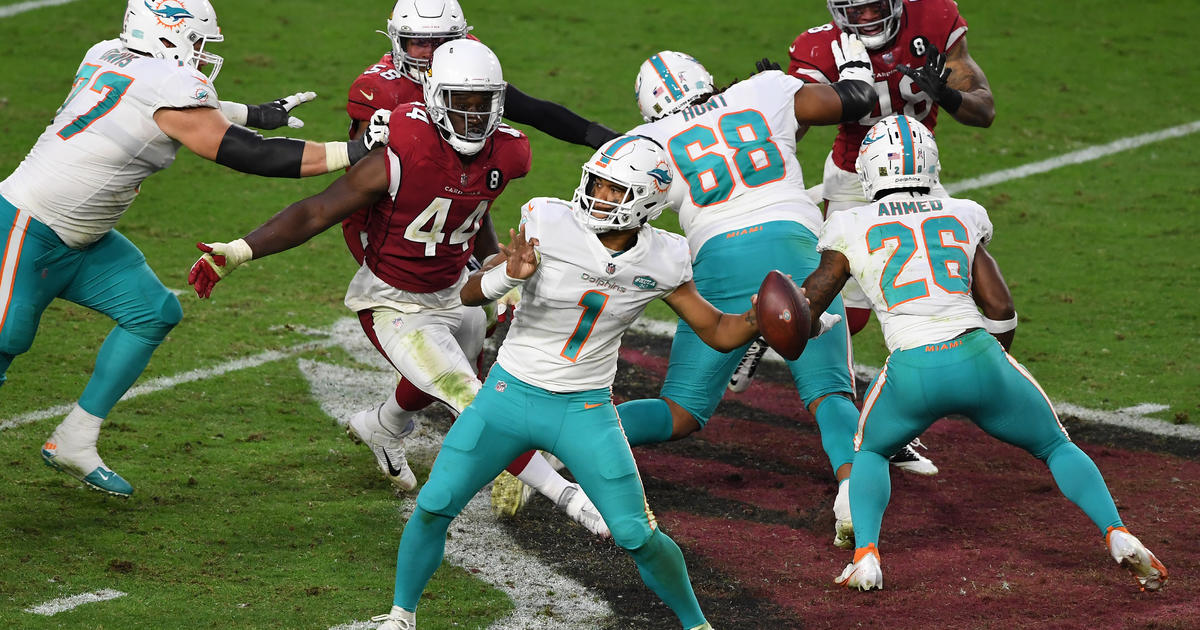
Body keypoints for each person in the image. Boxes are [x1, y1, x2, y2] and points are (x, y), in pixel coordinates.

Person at [187, 40, 608, 537]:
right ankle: (572, 499)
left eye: (482, 104)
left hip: (458, 288)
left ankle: (382, 426)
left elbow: (473, 205)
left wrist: (493, 261)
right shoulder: (401, 147)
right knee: (471, 399)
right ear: (434, 99)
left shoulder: (511, 150)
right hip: (393, 300)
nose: (473, 118)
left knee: (447, 377)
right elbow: (318, 210)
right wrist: (240, 250)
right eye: (461, 104)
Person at [0, 0, 389, 498]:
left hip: (80, 237)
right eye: (198, 41)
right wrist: (352, 152)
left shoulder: (108, 55)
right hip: (27, 227)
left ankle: (75, 439)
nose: (202, 54)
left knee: (152, 311)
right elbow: (246, 152)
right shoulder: (168, 88)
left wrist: (256, 113)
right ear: (167, 35)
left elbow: (173, 109)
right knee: (5, 343)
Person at [368, 135, 753, 630]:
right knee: (434, 505)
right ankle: (401, 617)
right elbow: (467, 295)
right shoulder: (548, 221)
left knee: (635, 534)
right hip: (507, 396)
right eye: (596, 181)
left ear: (647, 200)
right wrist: (506, 276)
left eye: (614, 190)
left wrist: (764, 318)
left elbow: (720, 331)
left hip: (584, 410)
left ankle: (698, 626)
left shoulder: (665, 257)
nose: (596, 195)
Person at [798, 114, 1167, 593]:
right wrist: (991, 367)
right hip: (977, 354)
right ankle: (1117, 531)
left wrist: (783, 314)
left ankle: (867, 555)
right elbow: (1001, 306)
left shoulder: (847, 223)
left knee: (869, 450)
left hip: (911, 366)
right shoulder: (964, 211)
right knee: (1056, 445)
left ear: (869, 169)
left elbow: (812, 304)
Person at [340, 0, 621, 517]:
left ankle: (387, 422)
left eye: (440, 41)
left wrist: (600, 138)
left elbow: (527, 117)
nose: (427, 53)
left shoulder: (465, 72)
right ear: (396, 40)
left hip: (452, 213)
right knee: (445, 350)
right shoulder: (381, 90)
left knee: (467, 332)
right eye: (417, 42)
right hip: (392, 227)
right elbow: (365, 176)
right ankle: (528, 466)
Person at [611, 42, 875, 550]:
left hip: (718, 258)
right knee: (830, 394)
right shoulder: (761, 89)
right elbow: (852, 99)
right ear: (707, 79)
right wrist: (857, 66)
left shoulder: (646, 140)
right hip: (795, 244)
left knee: (682, 409)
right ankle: (850, 493)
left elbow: (622, 215)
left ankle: (561, 444)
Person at [730, 0, 997, 409]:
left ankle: (976, 377)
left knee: (957, 279)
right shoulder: (818, 46)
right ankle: (770, 328)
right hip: (855, 177)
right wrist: (773, 102)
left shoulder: (934, 16)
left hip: (918, 173)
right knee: (848, 311)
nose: (867, 18)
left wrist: (949, 96)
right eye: (855, 11)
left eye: (874, 7)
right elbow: (793, 130)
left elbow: (985, 110)